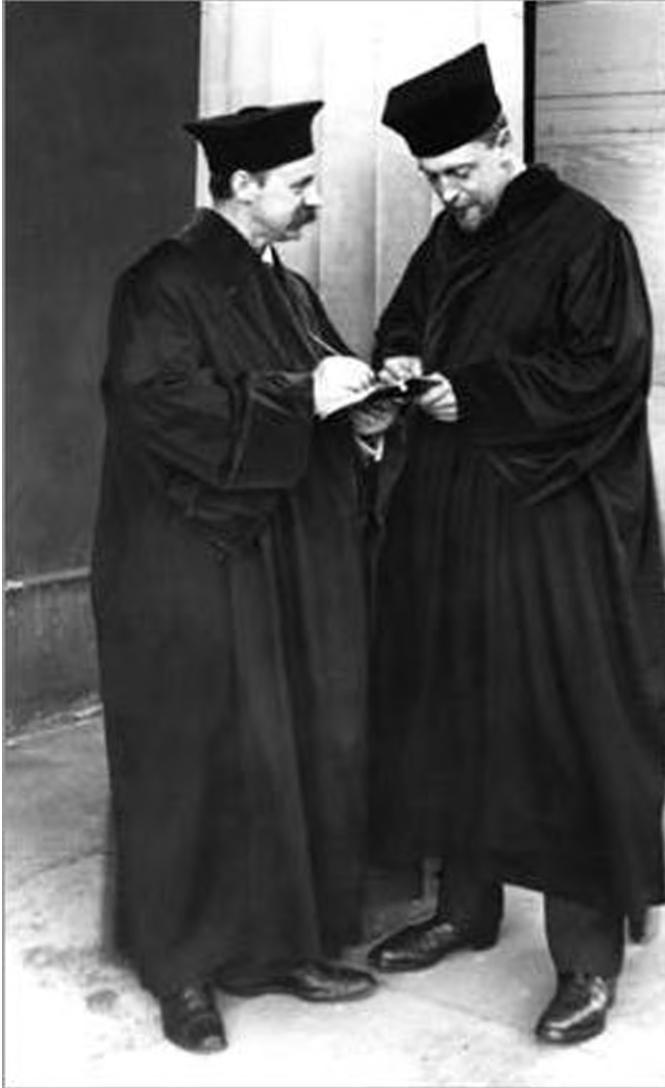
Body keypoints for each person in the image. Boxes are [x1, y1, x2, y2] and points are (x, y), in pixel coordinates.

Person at [365, 44, 665, 1045]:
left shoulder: (589, 237)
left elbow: (607, 374)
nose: (449, 195)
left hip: (554, 530)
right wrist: (402, 357)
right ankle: (464, 906)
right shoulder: (452, 236)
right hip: (452, 524)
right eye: (433, 180)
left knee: (562, 727)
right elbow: (406, 318)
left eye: (460, 172)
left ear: (506, 145)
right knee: (453, 705)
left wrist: (480, 395)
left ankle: (585, 961)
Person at [91, 100, 381, 1055]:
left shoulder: (285, 291)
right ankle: (182, 971)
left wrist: (364, 408)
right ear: (243, 187)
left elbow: (312, 386)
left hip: (272, 559)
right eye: (297, 187)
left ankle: (272, 946)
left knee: (276, 746)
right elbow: (160, 408)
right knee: (190, 756)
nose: (312, 202)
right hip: (180, 564)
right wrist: (304, 396)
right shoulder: (160, 285)